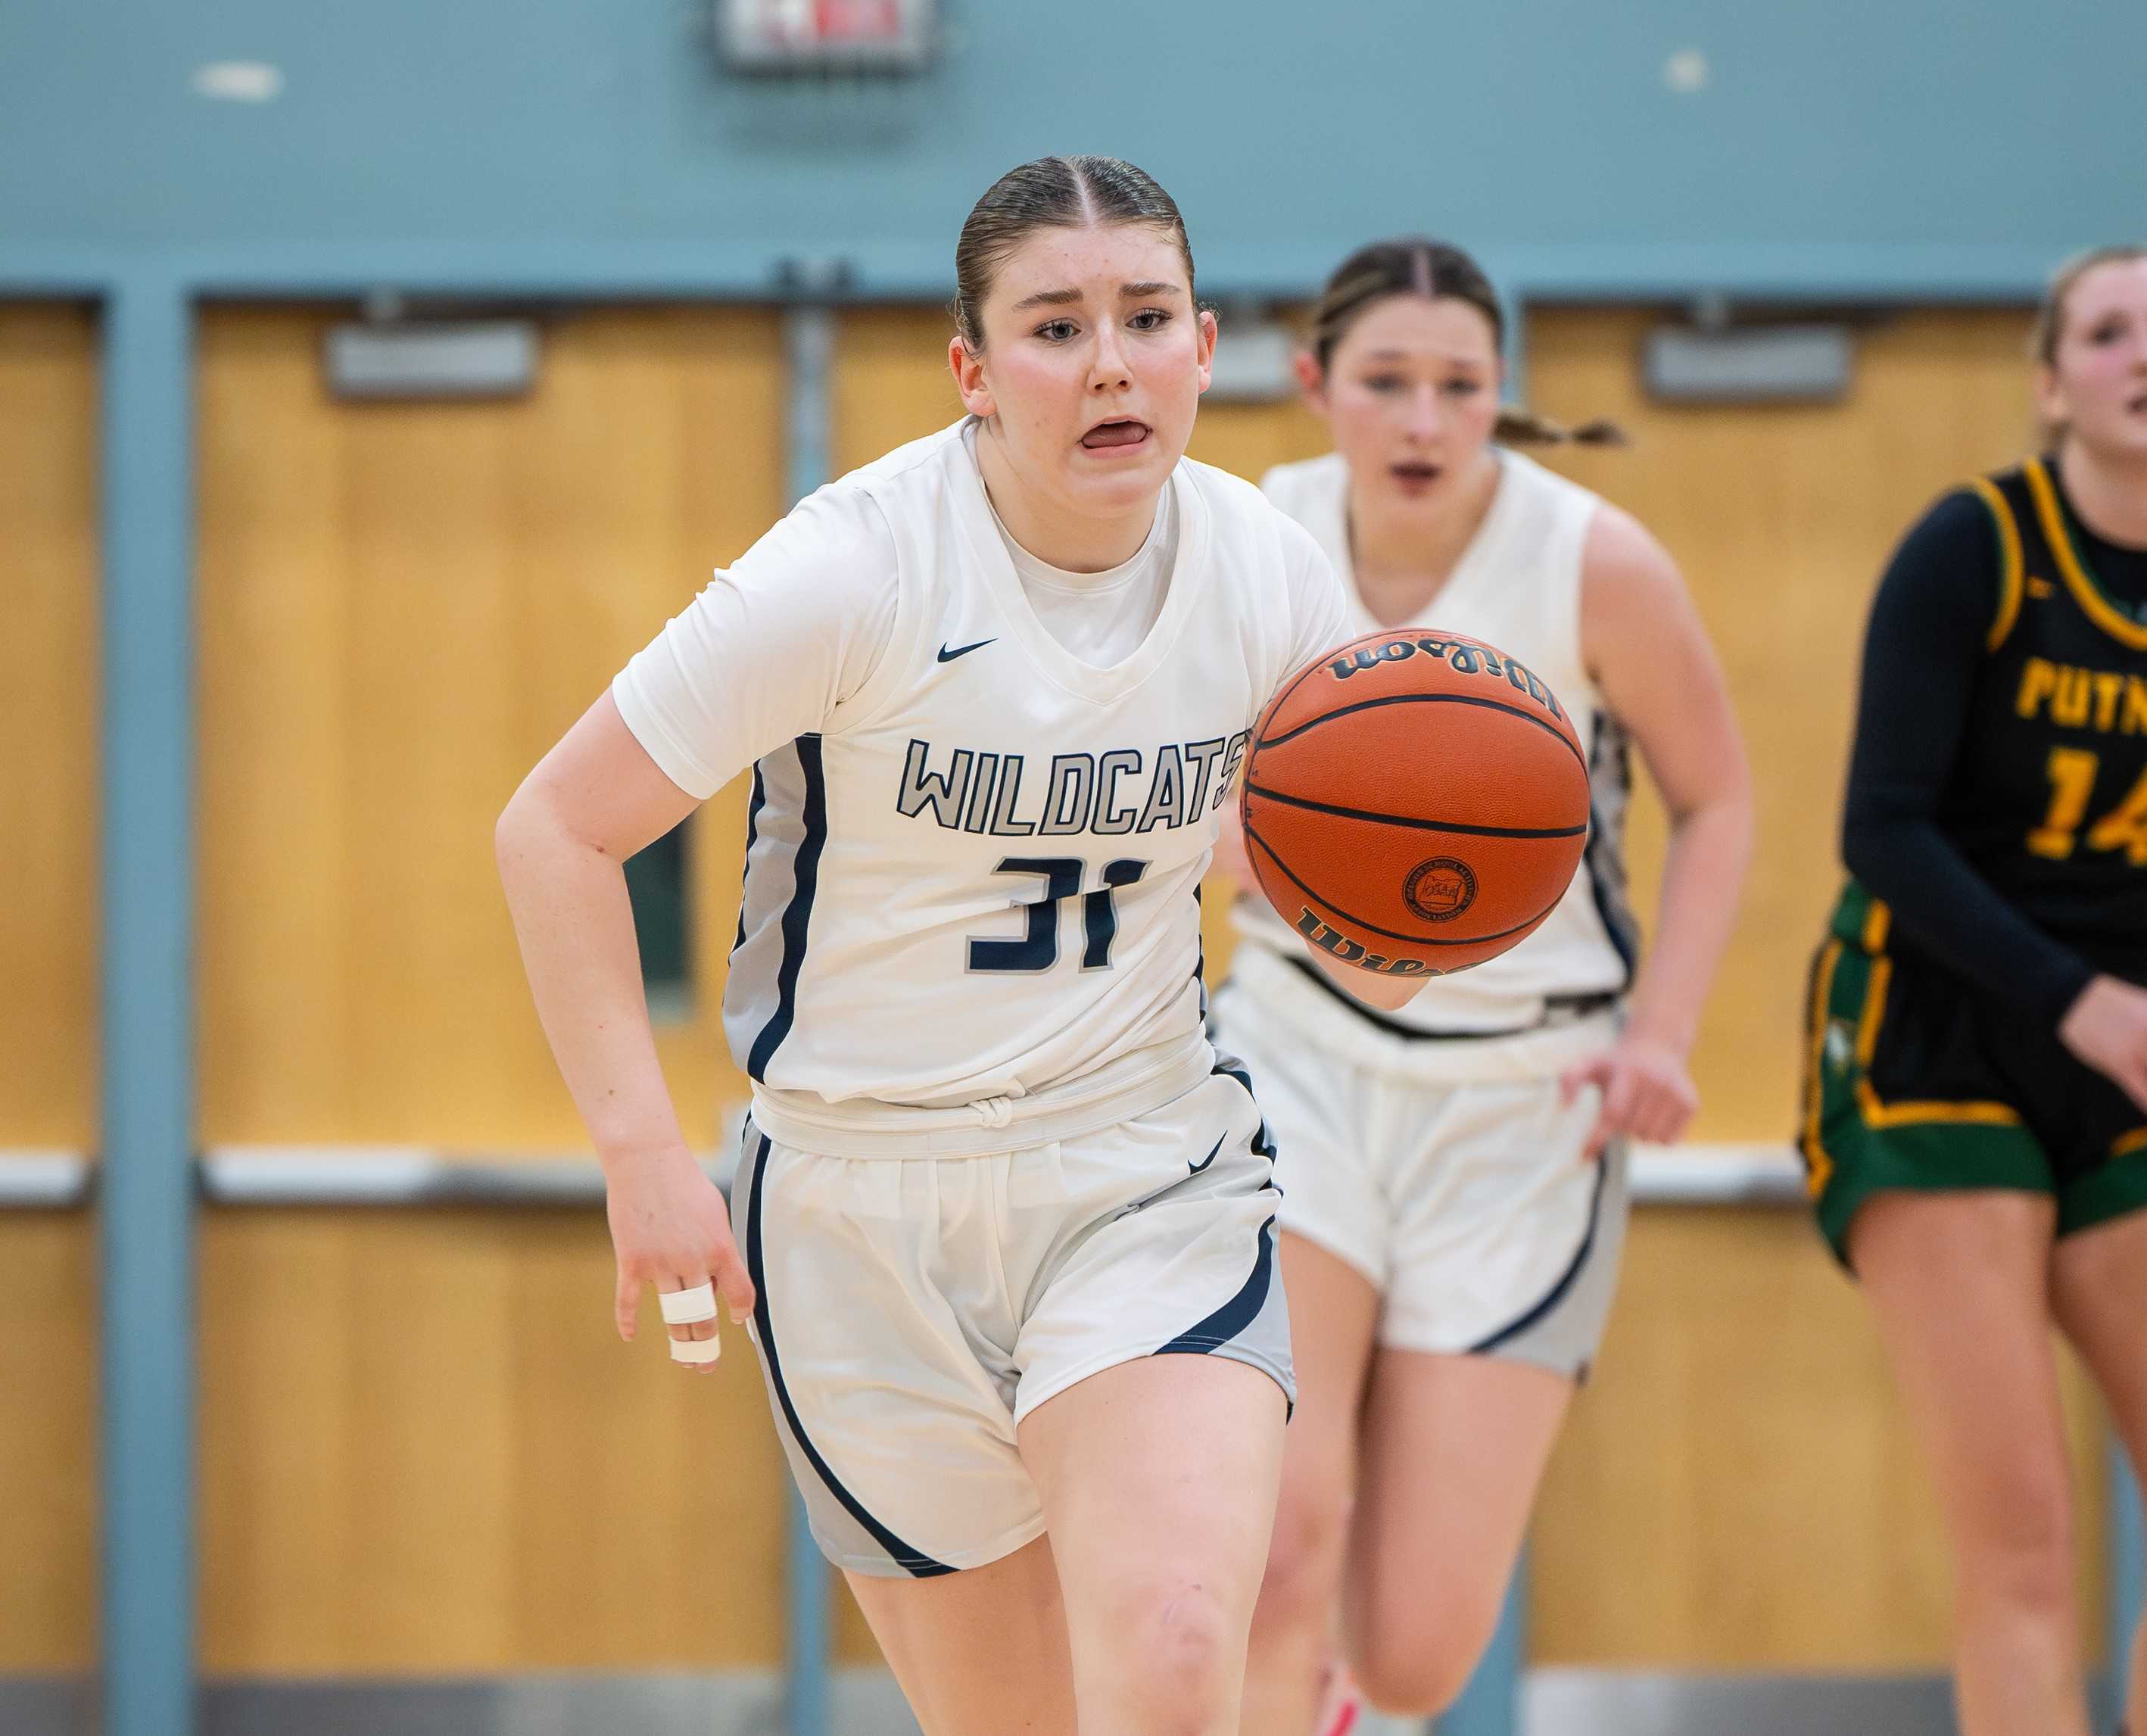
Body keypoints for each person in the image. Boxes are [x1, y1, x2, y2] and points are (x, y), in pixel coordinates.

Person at [496, 155, 1360, 1736]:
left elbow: (1297, 839)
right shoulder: (853, 569)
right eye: (1053, 325)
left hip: (1139, 1162)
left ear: (1203, 346)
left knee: (1172, 1650)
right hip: (853, 1199)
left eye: (1144, 316)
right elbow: (554, 829)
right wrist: (638, 1157)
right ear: (970, 372)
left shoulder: (1267, 572)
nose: (1107, 359)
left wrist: (1392, 897)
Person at [1211, 239, 1754, 1735]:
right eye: (1385, 382)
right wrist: (1228, 846)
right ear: (1317, 386)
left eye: (1458, 387)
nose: (1421, 421)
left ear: (1497, 396)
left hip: (1525, 1097)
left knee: (1412, 1650)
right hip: (1294, 1063)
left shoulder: (1593, 559)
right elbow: (1168, 772)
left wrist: (1661, 1031)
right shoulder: (1254, 532)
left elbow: (1718, 802)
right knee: (1271, 1549)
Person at [1800, 244, 2147, 1736]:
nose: (2142, 354)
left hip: (2121, 1050)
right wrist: (2077, 998)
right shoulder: (1976, 546)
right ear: (2048, 381)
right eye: (2109, 328)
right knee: (2024, 1538)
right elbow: (1878, 826)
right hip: (1931, 1034)